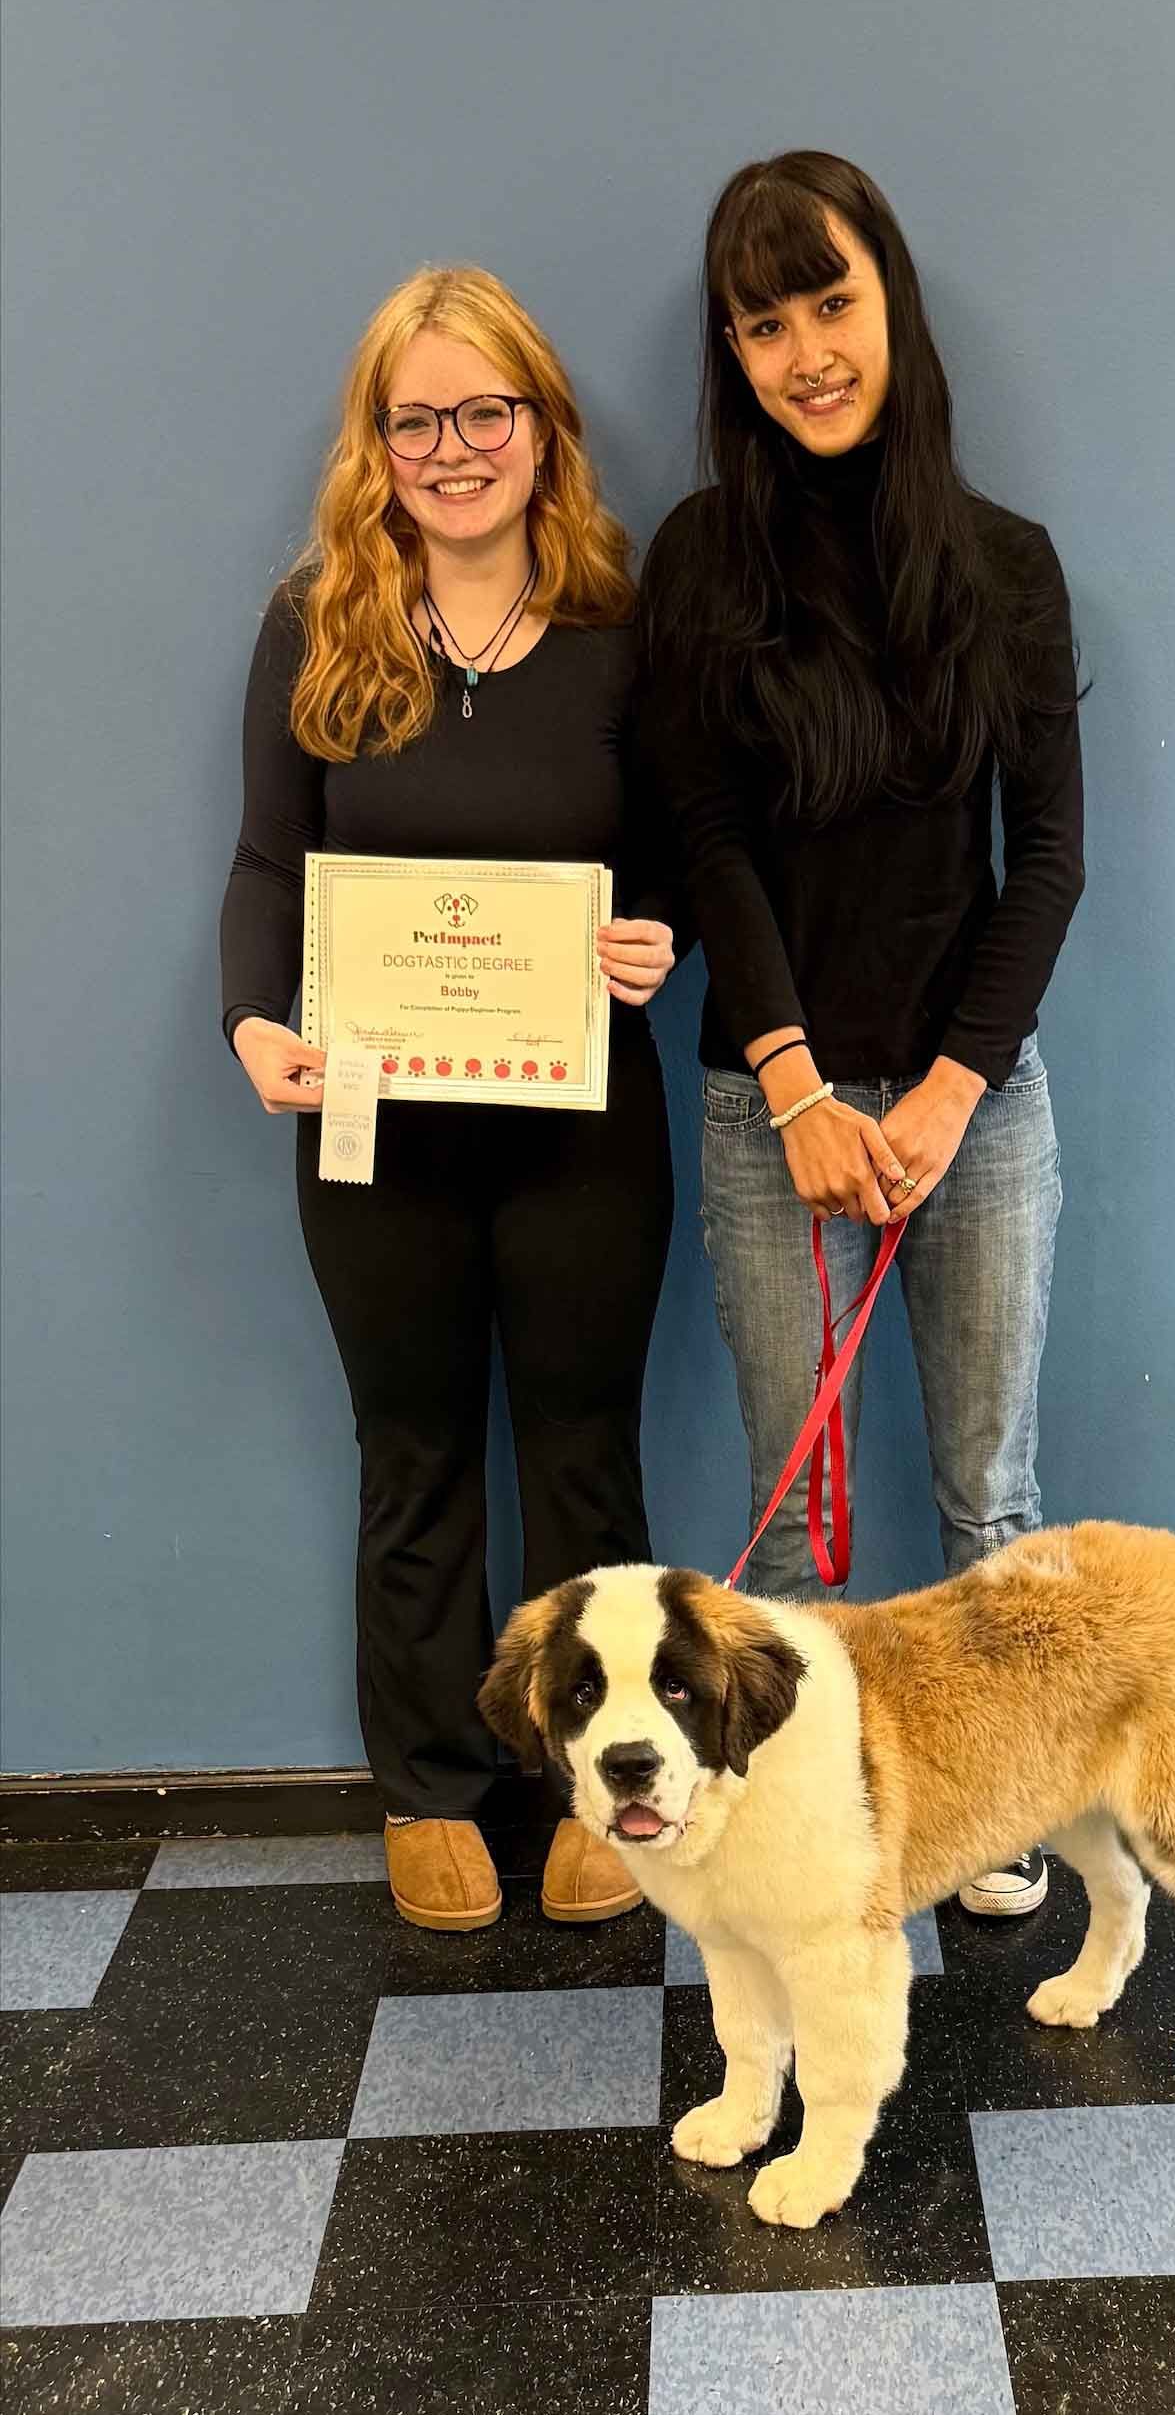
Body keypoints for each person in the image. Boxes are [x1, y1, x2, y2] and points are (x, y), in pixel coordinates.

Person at [639, 154, 1084, 1916]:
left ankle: (994, 1809)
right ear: (732, 354)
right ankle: (826, 1822)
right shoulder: (701, 563)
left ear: (889, 304)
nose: (806, 353)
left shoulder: (1008, 566)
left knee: (990, 1490)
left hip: (980, 1096)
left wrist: (958, 1087)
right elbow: (710, 851)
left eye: (830, 306)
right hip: (773, 1111)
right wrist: (801, 1086)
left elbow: (1045, 857)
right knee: (798, 1503)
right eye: (764, 324)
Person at [221, 265, 679, 1932]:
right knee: (411, 1453)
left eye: (484, 412)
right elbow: (271, 860)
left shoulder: (626, 627)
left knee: (581, 1453)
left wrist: (656, 932)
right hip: (371, 1135)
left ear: (542, 431)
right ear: (378, 441)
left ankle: (598, 1781)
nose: (452, 447)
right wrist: (248, 1023)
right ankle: (425, 1783)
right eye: (416, 418)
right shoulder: (316, 618)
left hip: (584, 1128)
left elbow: (685, 849)